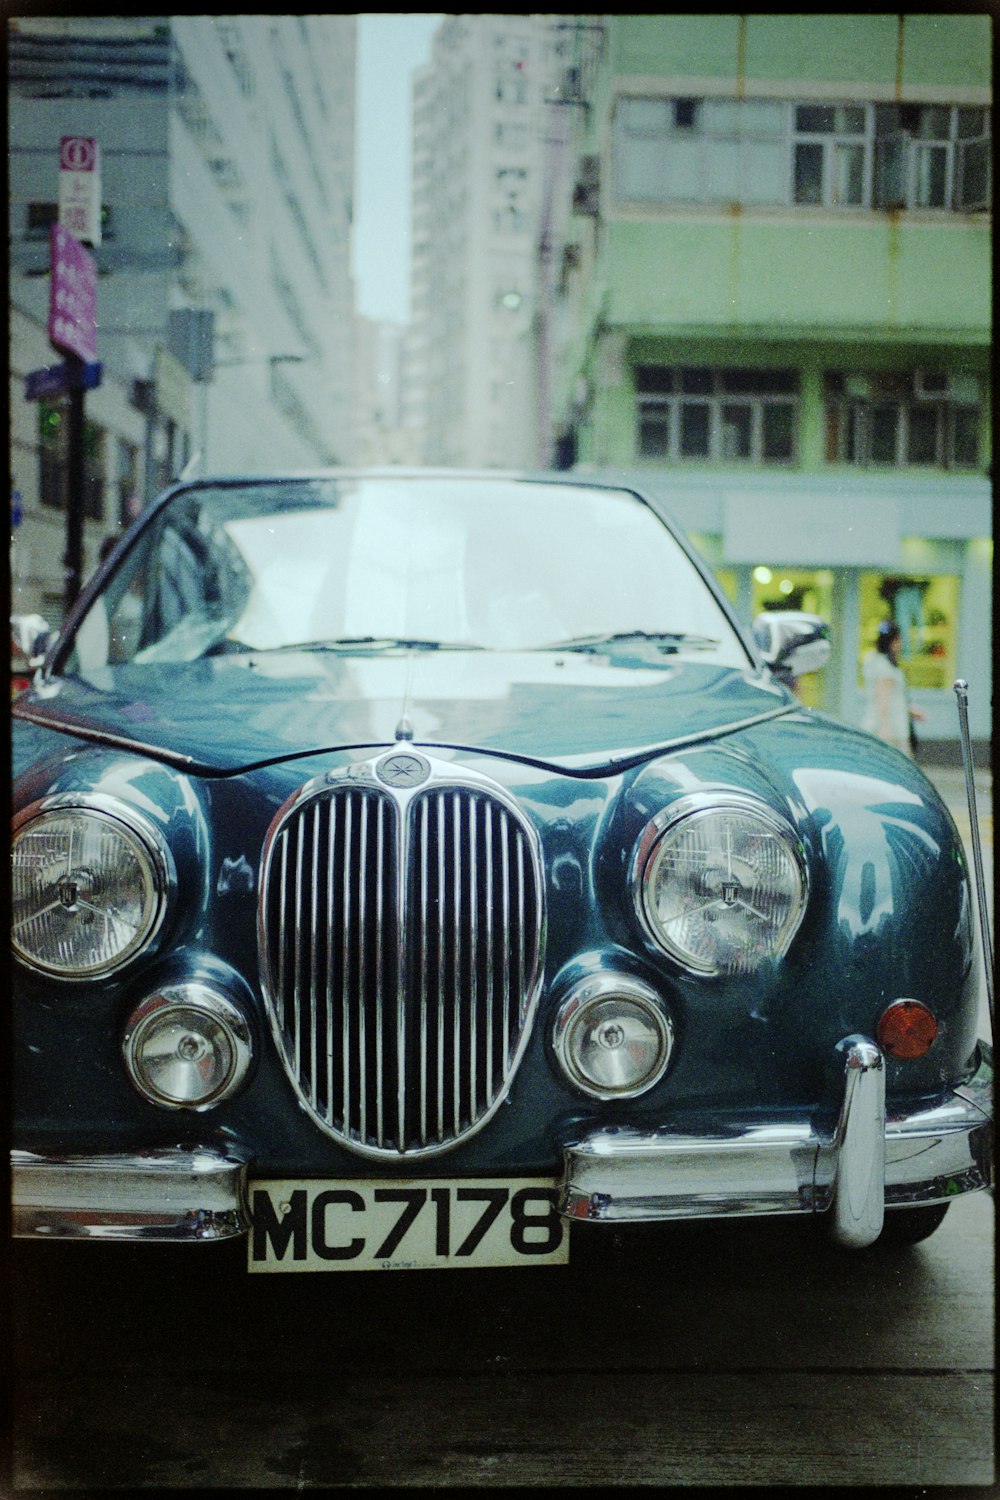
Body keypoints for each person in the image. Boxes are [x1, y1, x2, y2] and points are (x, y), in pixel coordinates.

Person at [861, 620, 926, 757]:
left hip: (885, 724)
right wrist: (885, 729)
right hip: (892, 728)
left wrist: (909, 711)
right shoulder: (884, 667)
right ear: (894, 641)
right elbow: (883, 700)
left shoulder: (875, 661)